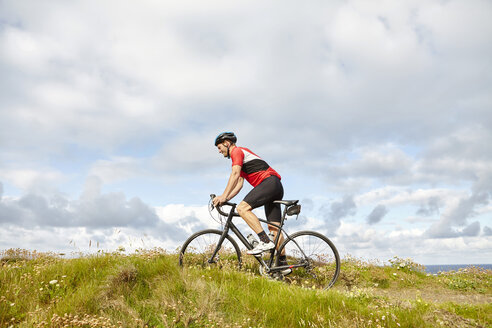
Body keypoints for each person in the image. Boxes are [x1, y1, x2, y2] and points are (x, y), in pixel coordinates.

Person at [212, 132, 288, 265]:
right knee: (274, 228)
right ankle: (283, 264)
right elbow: (239, 184)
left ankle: (264, 241)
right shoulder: (241, 156)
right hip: (275, 186)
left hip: (268, 183)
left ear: (227, 143)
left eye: (219, 147)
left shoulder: (237, 151)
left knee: (242, 209)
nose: (219, 151)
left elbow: (234, 174)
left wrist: (223, 196)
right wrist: (226, 198)